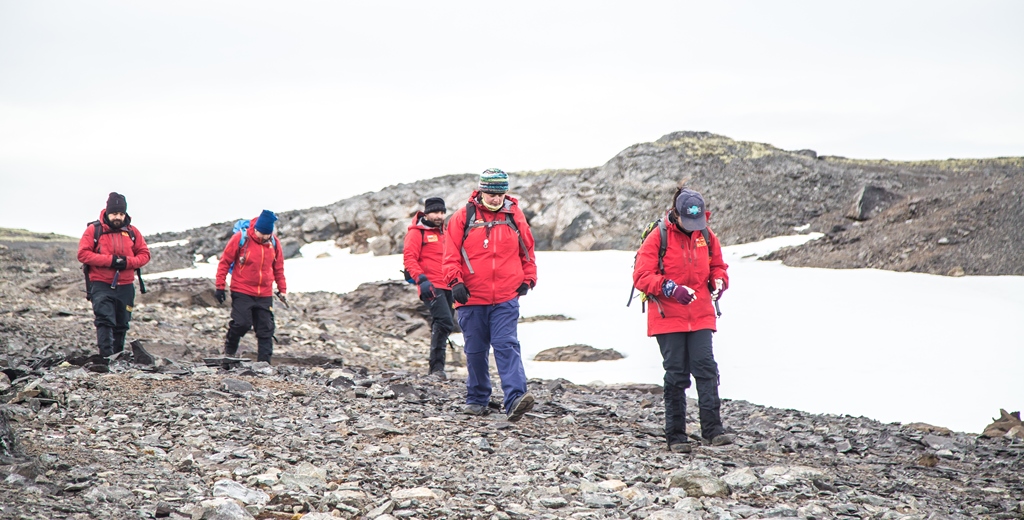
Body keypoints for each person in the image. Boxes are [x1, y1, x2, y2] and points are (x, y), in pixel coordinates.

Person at [632, 187, 733, 453]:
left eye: (697, 223)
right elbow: (641, 276)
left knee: (706, 367)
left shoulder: (707, 236)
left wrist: (719, 281)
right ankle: (676, 436)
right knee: (676, 373)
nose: (692, 228)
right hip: (668, 316)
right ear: (675, 214)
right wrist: (669, 288)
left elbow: (718, 267)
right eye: (688, 223)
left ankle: (713, 430)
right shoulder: (657, 237)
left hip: (700, 314)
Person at [442, 168, 538, 421]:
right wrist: (455, 282)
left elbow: (527, 251)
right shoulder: (463, 217)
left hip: (506, 296)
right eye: (491, 194)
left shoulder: (514, 215)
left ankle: (516, 398)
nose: (496, 199)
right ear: (481, 191)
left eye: (500, 194)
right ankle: (477, 398)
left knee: (506, 345)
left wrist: (528, 278)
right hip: (471, 297)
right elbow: (450, 254)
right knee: (475, 350)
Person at [77, 192, 151, 357]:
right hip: (101, 283)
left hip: (125, 285)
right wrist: (111, 261)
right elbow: (83, 254)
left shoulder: (132, 232)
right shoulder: (94, 230)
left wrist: (126, 262)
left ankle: (118, 358)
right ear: (107, 212)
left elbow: (145, 254)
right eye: (114, 213)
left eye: (121, 213)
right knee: (104, 320)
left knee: (122, 323)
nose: (118, 217)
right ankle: (106, 358)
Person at [215, 210, 287, 364]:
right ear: (256, 229)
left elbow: (278, 268)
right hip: (242, 290)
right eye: (262, 234)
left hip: (265, 293)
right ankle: (229, 352)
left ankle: (264, 364)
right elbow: (224, 262)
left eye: (267, 235)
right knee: (241, 324)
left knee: (266, 330)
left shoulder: (274, 243)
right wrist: (220, 286)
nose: (264, 237)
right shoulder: (241, 239)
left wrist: (282, 289)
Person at [403, 197, 455, 378]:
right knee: (445, 322)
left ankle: (436, 369)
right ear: (426, 213)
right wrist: (421, 280)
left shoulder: (447, 232)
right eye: (435, 212)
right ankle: (437, 368)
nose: (439, 216)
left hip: (449, 285)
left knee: (443, 324)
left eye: (442, 212)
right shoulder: (417, 233)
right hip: (430, 285)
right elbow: (409, 259)